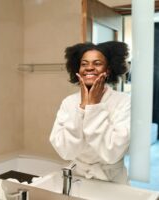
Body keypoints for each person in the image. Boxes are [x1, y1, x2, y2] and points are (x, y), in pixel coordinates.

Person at [50, 41, 130, 184]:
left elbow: (112, 153)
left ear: (109, 69)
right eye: (84, 64)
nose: (89, 68)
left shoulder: (124, 102)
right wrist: (82, 108)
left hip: (111, 180)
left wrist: (94, 106)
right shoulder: (69, 102)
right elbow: (66, 151)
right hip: (77, 178)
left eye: (97, 63)